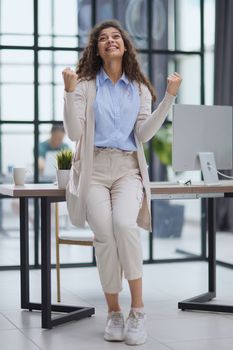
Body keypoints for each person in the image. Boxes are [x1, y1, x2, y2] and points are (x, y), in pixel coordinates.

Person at [62, 20, 182, 346]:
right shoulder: (86, 85)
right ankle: (114, 313)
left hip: (128, 168)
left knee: (124, 226)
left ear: (125, 46)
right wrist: (69, 92)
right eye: (103, 38)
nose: (110, 41)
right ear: (97, 49)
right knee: (104, 235)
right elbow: (74, 133)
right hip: (94, 170)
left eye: (116, 37)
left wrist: (168, 98)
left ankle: (137, 311)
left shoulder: (139, 88)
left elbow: (142, 134)